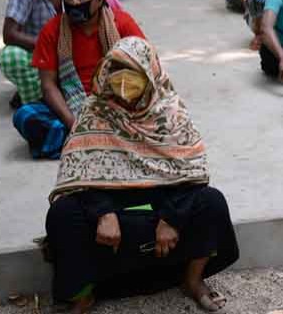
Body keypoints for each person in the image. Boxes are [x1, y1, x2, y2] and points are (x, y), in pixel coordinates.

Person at [44, 36, 239, 312]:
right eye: (116, 72)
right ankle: (83, 294)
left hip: (163, 213)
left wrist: (172, 218)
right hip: (112, 220)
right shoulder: (94, 111)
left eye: (132, 75)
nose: (123, 83)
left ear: (150, 75)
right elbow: (78, 177)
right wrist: (103, 212)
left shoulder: (171, 114)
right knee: (62, 213)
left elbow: (192, 175)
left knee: (211, 202)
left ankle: (192, 280)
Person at [12, 0, 145, 160]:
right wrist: (75, 125)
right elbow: (48, 86)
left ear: (99, 0)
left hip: (117, 102)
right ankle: (99, 138)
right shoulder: (52, 30)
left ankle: (83, 140)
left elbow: (144, 67)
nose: (74, 2)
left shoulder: (121, 23)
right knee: (25, 115)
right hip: (71, 105)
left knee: (164, 113)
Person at [0, 0, 98, 110]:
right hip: (41, 53)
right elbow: (9, 34)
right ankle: (39, 100)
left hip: (74, 50)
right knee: (10, 57)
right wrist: (48, 46)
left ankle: (52, 90)